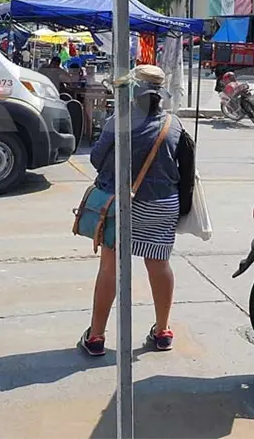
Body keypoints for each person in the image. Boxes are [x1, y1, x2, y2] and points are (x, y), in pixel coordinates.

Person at [82, 65, 194, 356]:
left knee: (110, 267)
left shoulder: (118, 121)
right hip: (163, 205)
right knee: (159, 265)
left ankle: (96, 337)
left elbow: (96, 159)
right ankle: (163, 331)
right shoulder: (174, 125)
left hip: (123, 205)